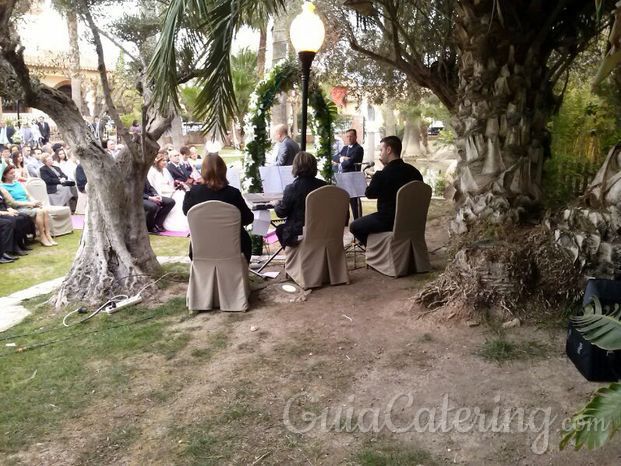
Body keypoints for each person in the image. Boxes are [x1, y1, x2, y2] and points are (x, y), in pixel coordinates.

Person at [349, 136, 423, 246]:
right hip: (413, 220)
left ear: (388, 150)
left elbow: (369, 194)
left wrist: (384, 170)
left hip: (389, 221)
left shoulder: (383, 175)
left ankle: (379, 249)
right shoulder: (415, 172)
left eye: (381, 150)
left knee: (355, 226)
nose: (380, 154)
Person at [182, 154, 254, 262]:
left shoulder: (193, 193)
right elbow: (248, 218)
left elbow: (187, 213)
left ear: (203, 171)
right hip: (234, 247)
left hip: (202, 249)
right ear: (224, 170)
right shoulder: (233, 194)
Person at [274, 151, 327, 248]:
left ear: (296, 167)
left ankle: (294, 257)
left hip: (300, 231)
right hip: (323, 229)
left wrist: (276, 204)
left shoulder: (292, 188)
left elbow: (281, 213)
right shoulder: (325, 186)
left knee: (280, 229)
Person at [0, 164, 57, 246]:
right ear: (5, 175)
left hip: (29, 205)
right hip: (18, 207)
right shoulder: (2, 187)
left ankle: (48, 235)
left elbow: (28, 195)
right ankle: (42, 236)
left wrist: (35, 202)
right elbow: (12, 202)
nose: (13, 175)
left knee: (45, 210)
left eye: (14, 173)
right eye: (11, 173)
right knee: (40, 212)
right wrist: (29, 204)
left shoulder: (18, 183)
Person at [338, 129, 365, 219]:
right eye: (347, 136)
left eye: (351, 136)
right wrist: (343, 158)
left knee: (354, 200)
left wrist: (343, 160)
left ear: (355, 137)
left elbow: (348, 164)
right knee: (344, 199)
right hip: (343, 177)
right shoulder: (345, 148)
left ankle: (358, 219)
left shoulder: (358, 149)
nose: (349, 138)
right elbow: (335, 157)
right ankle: (345, 221)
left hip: (353, 178)